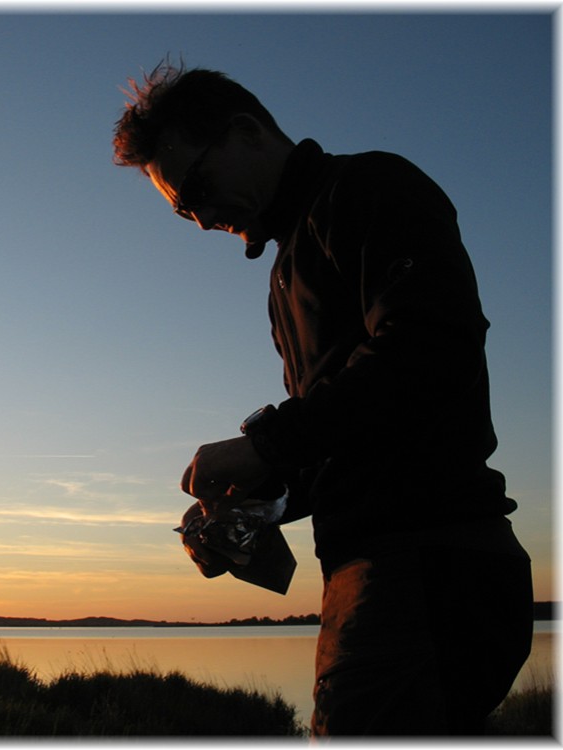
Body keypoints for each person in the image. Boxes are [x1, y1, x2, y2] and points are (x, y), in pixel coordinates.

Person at [112, 62, 533, 737]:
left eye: (197, 189)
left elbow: (430, 344)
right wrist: (249, 514)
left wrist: (268, 444)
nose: (201, 220)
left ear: (246, 133)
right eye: (184, 211)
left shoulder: (368, 188)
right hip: (380, 574)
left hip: (423, 567)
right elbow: (343, 439)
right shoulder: (287, 271)